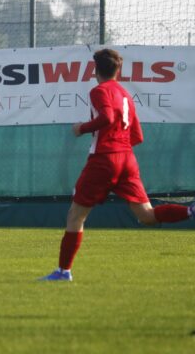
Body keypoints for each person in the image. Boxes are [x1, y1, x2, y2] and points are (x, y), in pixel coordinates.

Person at [41, 48, 194, 281]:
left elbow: (108, 118)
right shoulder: (125, 95)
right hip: (127, 159)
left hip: (104, 159)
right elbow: (138, 136)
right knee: (147, 216)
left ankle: (63, 272)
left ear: (95, 70)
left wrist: (81, 128)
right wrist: (120, 146)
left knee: (75, 216)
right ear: (118, 70)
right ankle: (190, 211)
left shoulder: (99, 91)